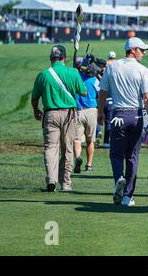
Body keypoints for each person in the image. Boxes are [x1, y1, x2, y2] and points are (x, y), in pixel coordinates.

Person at [98, 37, 148, 207]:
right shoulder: (142, 70)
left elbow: (102, 91)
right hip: (135, 115)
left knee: (116, 154)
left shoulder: (112, 67)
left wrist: (100, 112)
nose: (144, 53)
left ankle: (119, 179)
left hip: (117, 115)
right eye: (142, 50)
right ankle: (127, 196)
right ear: (133, 50)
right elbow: (147, 97)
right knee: (132, 156)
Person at [31, 45, 87, 192]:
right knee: (67, 148)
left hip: (50, 113)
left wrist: (35, 110)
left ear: (51, 58)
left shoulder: (43, 75)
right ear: (64, 58)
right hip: (69, 114)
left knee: (50, 147)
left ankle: (51, 179)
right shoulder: (72, 72)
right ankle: (66, 183)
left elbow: (34, 98)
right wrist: (76, 75)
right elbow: (84, 92)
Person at [73, 59, 101, 173]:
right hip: (91, 111)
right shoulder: (95, 81)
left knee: (77, 139)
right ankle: (89, 165)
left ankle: (78, 157)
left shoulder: (77, 78)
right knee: (90, 140)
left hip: (78, 111)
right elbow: (101, 94)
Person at [101, 52, 117, 148]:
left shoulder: (106, 64)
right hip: (111, 98)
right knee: (109, 121)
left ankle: (99, 134)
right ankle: (108, 141)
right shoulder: (116, 64)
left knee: (101, 119)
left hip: (103, 98)